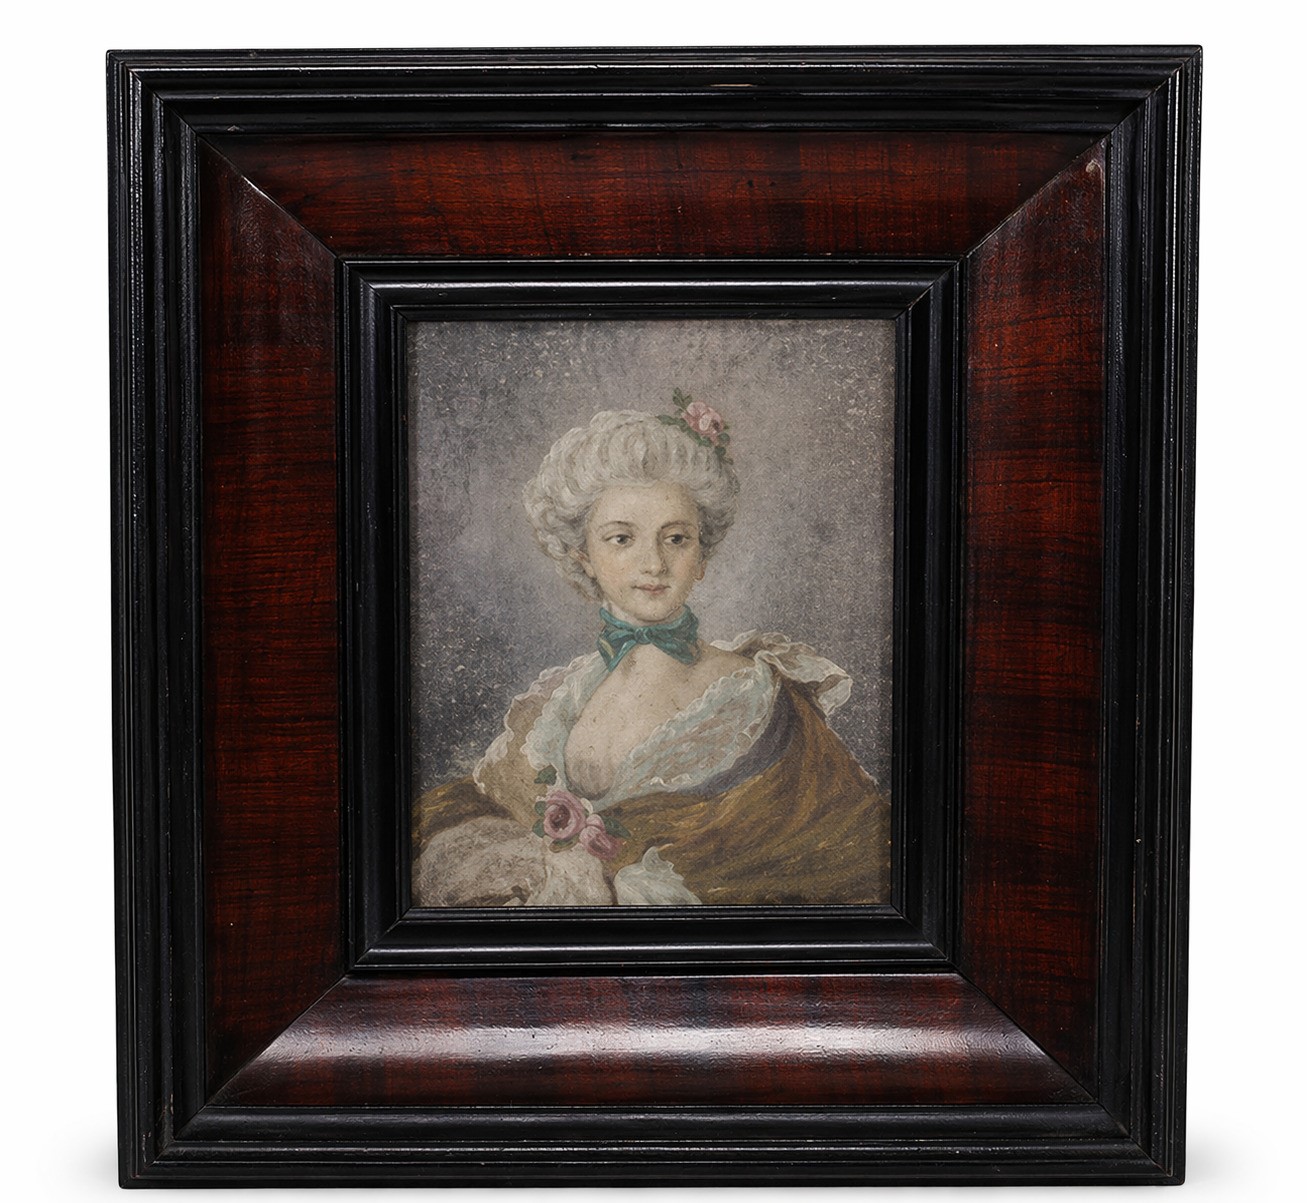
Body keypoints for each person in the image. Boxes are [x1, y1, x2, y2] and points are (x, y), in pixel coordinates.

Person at [412, 397, 890, 906]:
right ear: (583, 557)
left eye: (676, 538)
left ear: (702, 557)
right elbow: (479, 811)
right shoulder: (556, 705)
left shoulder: (756, 699)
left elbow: (848, 855)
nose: (654, 563)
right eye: (621, 538)